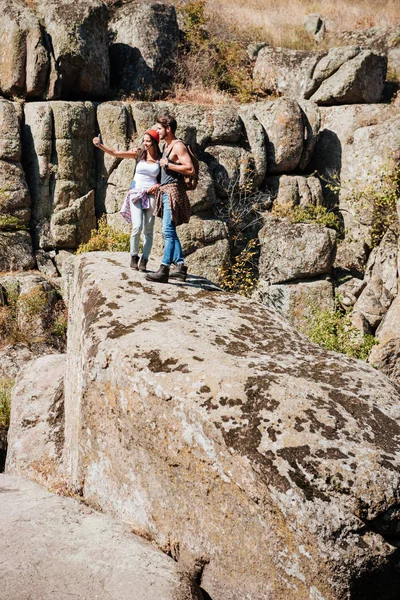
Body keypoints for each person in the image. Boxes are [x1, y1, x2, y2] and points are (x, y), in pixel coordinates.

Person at [92, 130, 161, 272]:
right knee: (137, 226)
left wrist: (158, 186)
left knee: (149, 230)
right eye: (144, 140)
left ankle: (144, 260)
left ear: (155, 141)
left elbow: (166, 178)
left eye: (148, 141)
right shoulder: (139, 154)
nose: (145, 143)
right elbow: (116, 153)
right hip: (136, 193)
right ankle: (134, 257)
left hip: (151, 195)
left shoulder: (161, 158)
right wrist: (100, 146)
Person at [145, 114, 194, 284]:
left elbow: (190, 169)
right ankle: (179, 266)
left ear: (168, 129)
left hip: (173, 192)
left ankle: (164, 268)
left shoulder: (178, 146)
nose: (157, 132)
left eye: (159, 129)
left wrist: (168, 165)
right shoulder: (166, 146)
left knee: (167, 231)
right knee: (170, 230)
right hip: (165, 191)